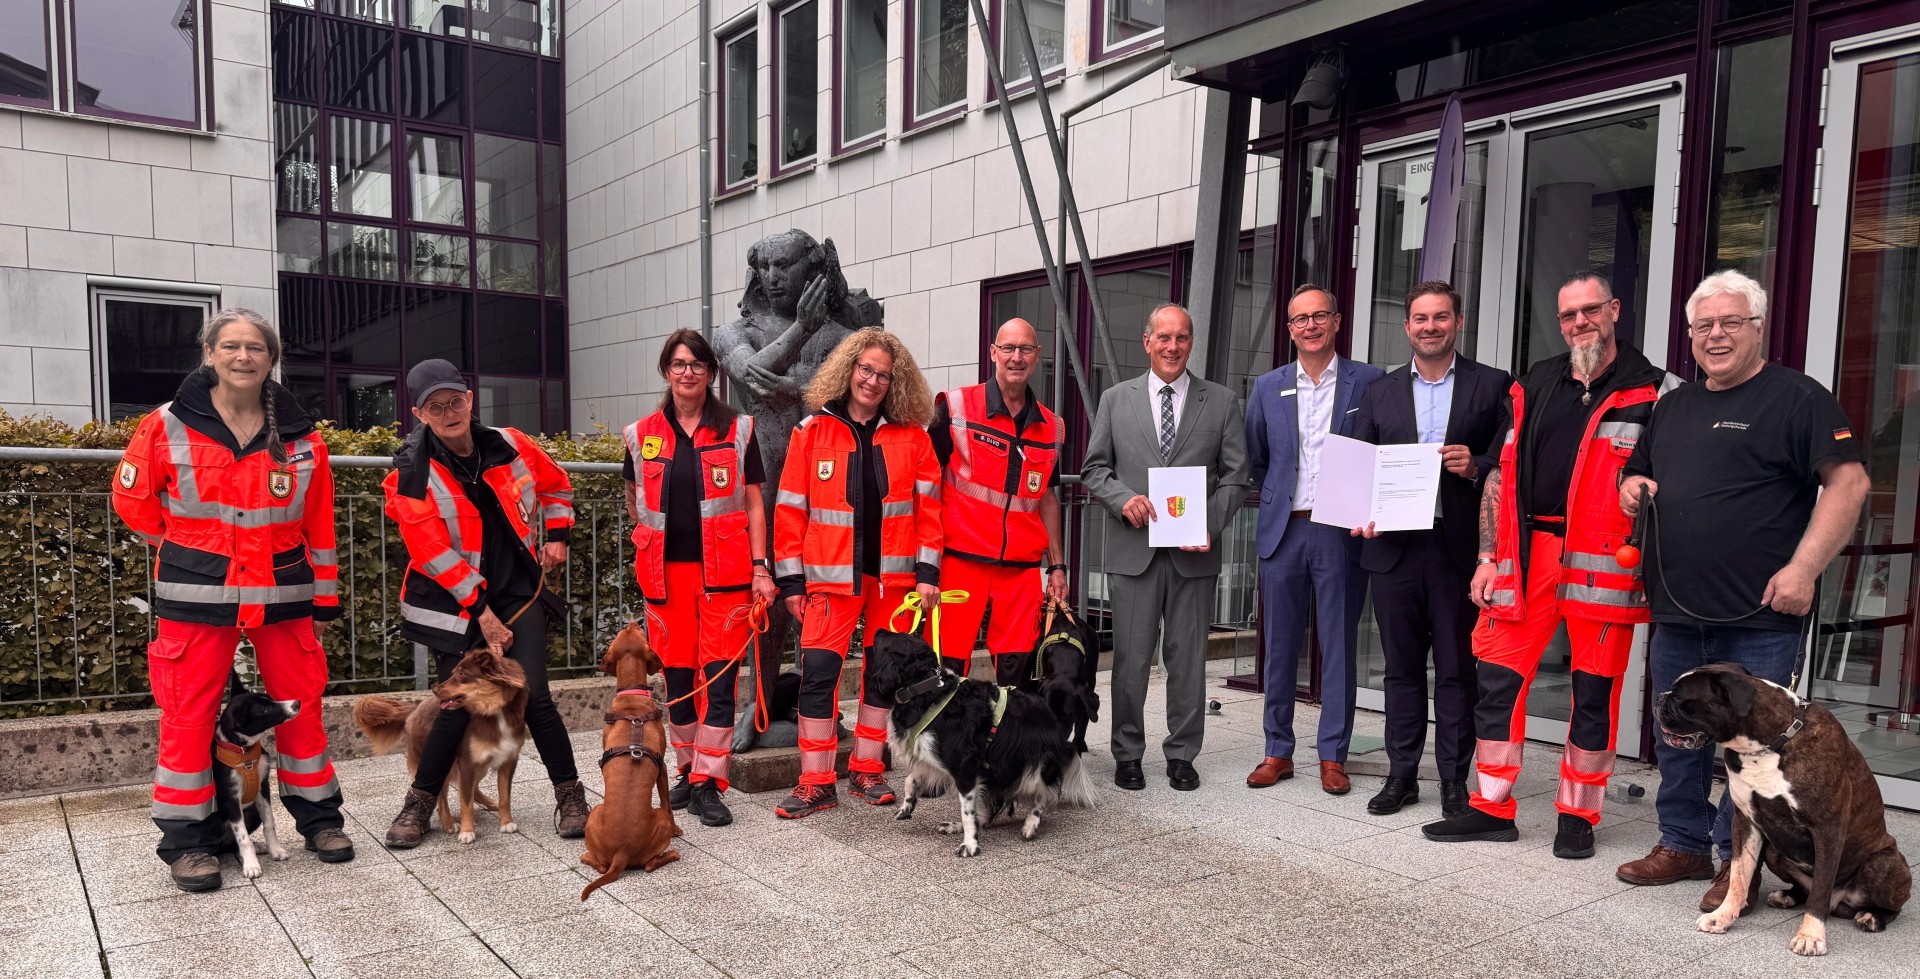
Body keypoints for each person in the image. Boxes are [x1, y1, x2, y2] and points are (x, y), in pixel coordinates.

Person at [1612, 270, 1868, 909]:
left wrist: (1804, 569)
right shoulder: (1673, 406)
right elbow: (1636, 476)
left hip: (1762, 614)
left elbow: (1850, 484)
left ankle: (1739, 868)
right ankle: (1682, 843)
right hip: (1677, 608)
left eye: (1731, 322)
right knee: (1677, 734)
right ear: (1691, 335)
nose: (1716, 336)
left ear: (1758, 328)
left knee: (1756, 753)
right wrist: (1631, 488)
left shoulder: (1798, 399)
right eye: (1704, 326)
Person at [1422, 270, 1680, 859]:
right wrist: (1488, 555)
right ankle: (1490, 807)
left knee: (1593, 691)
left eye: (1591, 310)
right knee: (1496, 680)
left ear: (1614, 310)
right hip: (1527, 551)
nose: (1580, 323)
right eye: (1569, 315)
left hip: (1605, 562)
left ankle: (1578, 816)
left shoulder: (1658, 390)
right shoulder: (1535, 382)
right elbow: (1500, 472)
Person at [112, 308, 350, 892]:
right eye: (231, 346)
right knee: (188, 717)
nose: (243, 357)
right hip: (197, 597)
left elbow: (318, 522)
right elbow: (134, 505)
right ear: (210, 353)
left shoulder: (303, 437)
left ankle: (320, 821)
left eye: (255, 348)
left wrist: (323, 599)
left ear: (272, 359)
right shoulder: (165, 425)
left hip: (284, 595)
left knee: (302, 710)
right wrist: (191, 546)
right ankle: (190, 844)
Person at [377, 360, 589, 848]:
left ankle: (571, 795)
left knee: (532, 693)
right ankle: (420, 802)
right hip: (454, 602)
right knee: (454, 704)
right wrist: (484, 616)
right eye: (436, 406)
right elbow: (432, 551)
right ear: (419, 413)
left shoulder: (511, 442)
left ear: (470, 399)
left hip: (517, 590)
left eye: (455, 400)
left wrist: (557, 534)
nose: (449, 412)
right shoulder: (411, 471)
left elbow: (556, 485)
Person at [713, 231, 882, 752]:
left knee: (822, 605)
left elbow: (841, 397)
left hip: (826, 486)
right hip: (764, 480)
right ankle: (759, 706)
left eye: (783, 265)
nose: (772, 276)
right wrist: (802, 343)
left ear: (811, 269)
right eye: (763, 266)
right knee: (768, 603)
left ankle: (820, 710)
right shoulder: (734, 329)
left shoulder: (841, 337)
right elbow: (754, 373)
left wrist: (799, 384)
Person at [1350, 281, 1508, 817]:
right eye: (1420, 318)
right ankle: (1401, 775)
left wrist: (1478, 467)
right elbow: (1363, 468)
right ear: (1407, 327)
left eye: (1441, 317)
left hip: (1460, 552)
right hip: (1394, 550)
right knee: (1400, 669)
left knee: (1460, 671)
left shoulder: (1493, 386)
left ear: (1458, 322)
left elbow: (1509, 462)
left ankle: (1452, 781)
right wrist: (1360, 515)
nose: (1431, 326)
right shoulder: (1380, 390)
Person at [771, 328, 943, 819]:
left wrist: (928, 574)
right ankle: (815, 780)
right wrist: (791, 583)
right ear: (848, 370)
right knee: (819, 678)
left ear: (895, 383)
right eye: (865, 369)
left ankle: (867, 768)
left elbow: (930, 511)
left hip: (895, 582)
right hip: (828, 581)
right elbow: (789, 513)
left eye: (883, 375)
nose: (872, 380)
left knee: (881, 679)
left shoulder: (913, 438)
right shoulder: (811, 433)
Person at [1082, 303, 1251, 792]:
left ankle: (1182, 754)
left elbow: (1236, 477)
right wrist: (1122, 499)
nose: (1173, 346)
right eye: (1164, 338)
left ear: (1190, 342)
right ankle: (1128, 754)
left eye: (1181, 338)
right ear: (1147, 341)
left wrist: (1211, 525)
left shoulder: (1220, 402)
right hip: (1134, 550)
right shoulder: (1116, 399)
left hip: (1193, 553)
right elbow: (1095, 469)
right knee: (1131, 660)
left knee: (1187, 658)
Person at [620, 329, 780, 828]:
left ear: (711, 373)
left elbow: (754, 502)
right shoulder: (639, 434)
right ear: (666, 370)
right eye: (678, 362)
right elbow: (634, 499)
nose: (687, 371)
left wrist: (760, 567)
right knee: (680, 680)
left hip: (727, 579)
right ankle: (687, 772)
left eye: (697, 364)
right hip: (665, 581)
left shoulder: (737, 429)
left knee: (720, 679)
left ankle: (711, 781)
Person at [1243, 285, 1384, 794]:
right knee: (1278, 645)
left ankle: (1333, 755)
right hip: (1285, 527)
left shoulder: (1368, 381)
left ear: (1337, 321)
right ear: (1289, 329)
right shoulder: (1267, 386)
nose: (1309, 325)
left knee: (1338, 643)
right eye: (1299, 319)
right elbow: (1259, 457)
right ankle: (1277, 750)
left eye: (1318, 315)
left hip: (1339, 528)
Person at [928, 317, 1069, 684]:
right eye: (1008, 348)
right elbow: (924, 485)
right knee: (946, 664)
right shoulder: (956, 407)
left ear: (1037, 357)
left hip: (1021, 569)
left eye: (1025, 349)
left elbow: (1048, 499)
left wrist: (1057, 567)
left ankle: (1005, 740)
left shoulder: (1051, 427)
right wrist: (925, 562)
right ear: (993, 353)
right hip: (960, 560)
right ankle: (944, 740)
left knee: (1017, 670)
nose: (1016, 357)